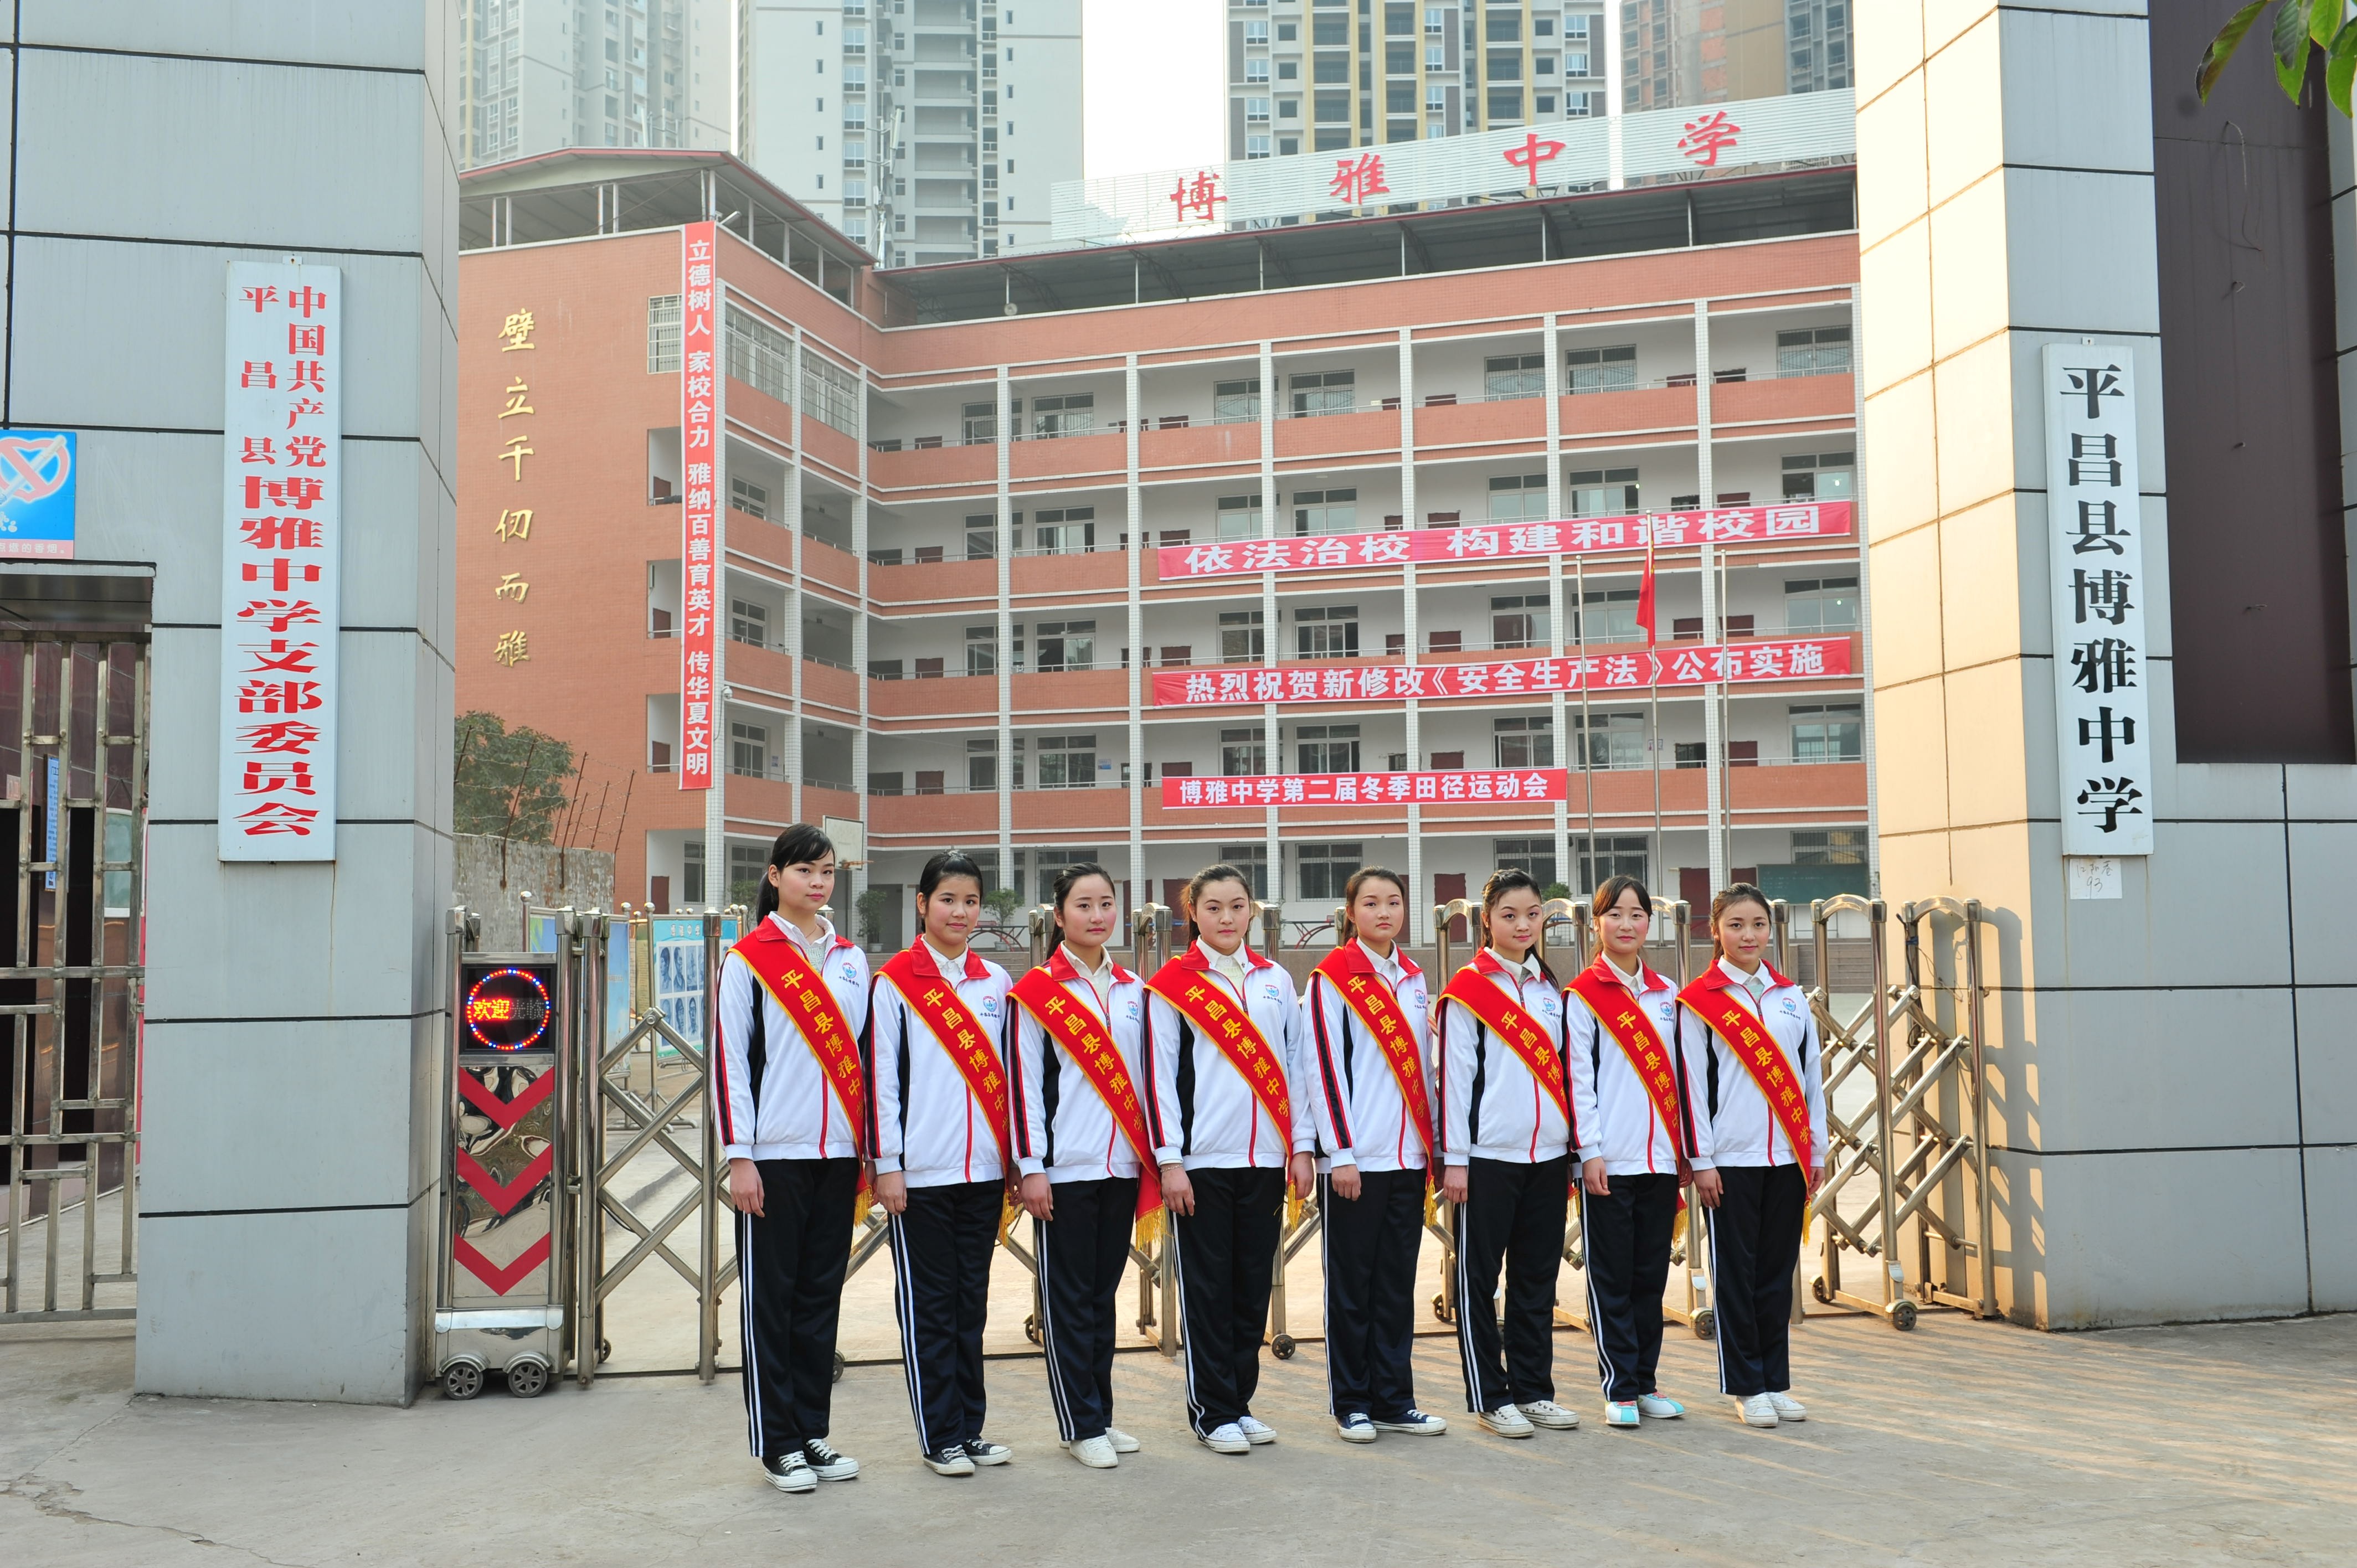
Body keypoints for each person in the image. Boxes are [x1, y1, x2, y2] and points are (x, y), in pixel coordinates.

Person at [715, 824, 873, 1494]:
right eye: (805, 870)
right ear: (776, 875)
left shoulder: (849, 959)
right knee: (770, 1302)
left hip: (837, 1155)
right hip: (772, 1160)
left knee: (817, 1300)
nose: (818, 882)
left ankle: (812, 1432)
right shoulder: (748, 959)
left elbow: (862, 1058)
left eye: (828, 872)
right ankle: (776, 1441)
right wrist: (739, 1157)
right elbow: (730, 1062)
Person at [1144, 864, 1318, 1456]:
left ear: (1252, 912)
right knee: (1207, 1290)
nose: (1226, 918)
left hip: (1266, 1159)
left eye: (1236, 906)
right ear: (1191, 911)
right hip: (1201, 1162)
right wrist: (1170, 1160)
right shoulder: (1172, 985)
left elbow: (1298, 1066)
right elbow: (1160, 1078)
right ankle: (1209, 1409)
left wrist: (1300, 1146)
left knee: (1250, 1289)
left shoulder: (1273, 981)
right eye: (1213, 907)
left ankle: (1239, 1404)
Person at [1007, 862, 1171, 1469]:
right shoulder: (1036, 995)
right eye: (1083, 905)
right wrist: (1031, 1166)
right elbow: (1024, 1086)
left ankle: (1099, 1413)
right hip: (1064, 1171)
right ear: (1059, 916)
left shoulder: (1132, 992)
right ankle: (1078, 1423)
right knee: (1068, 1301)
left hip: (1122, 1168)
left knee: (1101, 1298)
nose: (1097, 916)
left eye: (1106, 904)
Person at [868, 850, 1016, 1478]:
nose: (960, 911)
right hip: (921, 1178)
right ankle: (939, 1435)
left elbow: (1007, 1080)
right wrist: (888, 1164)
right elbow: (881, 1080)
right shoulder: (894, 982)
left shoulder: (996, 984)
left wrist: (1010, 1160)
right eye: (948, 899)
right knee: (930, 1307)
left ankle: (970, 1429)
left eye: (971, 901)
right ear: (922, 904)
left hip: (982, 1174)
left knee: (971, 1304)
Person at [1435, 868, 1581, 1439]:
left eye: (1532, 915)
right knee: (1479, 1280)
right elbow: (1456, 1078)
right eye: (1508, 915)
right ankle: (1489, 1395)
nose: (1522, 925)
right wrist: (1455, 1159)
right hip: (1486, 1159)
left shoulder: (1548, 990)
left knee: (1535, 1277)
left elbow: (1565, 1076)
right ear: (1485, 921)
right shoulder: (1468, 990)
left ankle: (1533, 1389)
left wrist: (1569, 1152)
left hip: (1545, 1156)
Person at [1305, 865, 1448, 1445]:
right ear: (1350, 913)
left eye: (1393, 902)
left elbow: (1424, 1070)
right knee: (1351, 1286)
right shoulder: (1331, 978)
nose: (1383, 912)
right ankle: (1352, 1401)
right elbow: (1323, 1069)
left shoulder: (1413, 978)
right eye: (1370, 903)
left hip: (1407, 1158)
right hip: (1356, 1162)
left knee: (1394, 1285)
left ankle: (1394, 1398)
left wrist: (1434, 1149)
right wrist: (1339, 1153)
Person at [1677, 882, 1826, 1431]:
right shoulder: (1699, 1002)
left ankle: (1773, 1380)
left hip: (1786, 1157)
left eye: (1757, 924)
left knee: (1775, 1274)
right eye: (1735, 925)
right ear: (1714, 930)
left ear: (1770, 929)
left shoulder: (1790, 997)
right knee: (1735, 1276)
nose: (1748, 935)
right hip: (1731, 1161)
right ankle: (1744, 1385)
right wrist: (1702, 1159)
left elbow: (1811, 1080)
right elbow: (1690, 1086)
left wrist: (1816, 1148)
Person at [1563, 875, 1689, 1429]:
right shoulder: (1582, 995)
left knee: (1648, 1276)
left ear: (1648, 923)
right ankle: (1617, 1387)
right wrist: (1588, 1151)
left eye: (1636, 914)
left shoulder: (1667, 996)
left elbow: (1681, 1080)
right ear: (1596, 924)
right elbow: (1578, 1080)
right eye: (1614, 914)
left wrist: (1684, 1148)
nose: (1626, 924)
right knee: (1610, 1277)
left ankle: (1645, 1382)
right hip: (1608, 1162)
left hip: (1660, 1159)